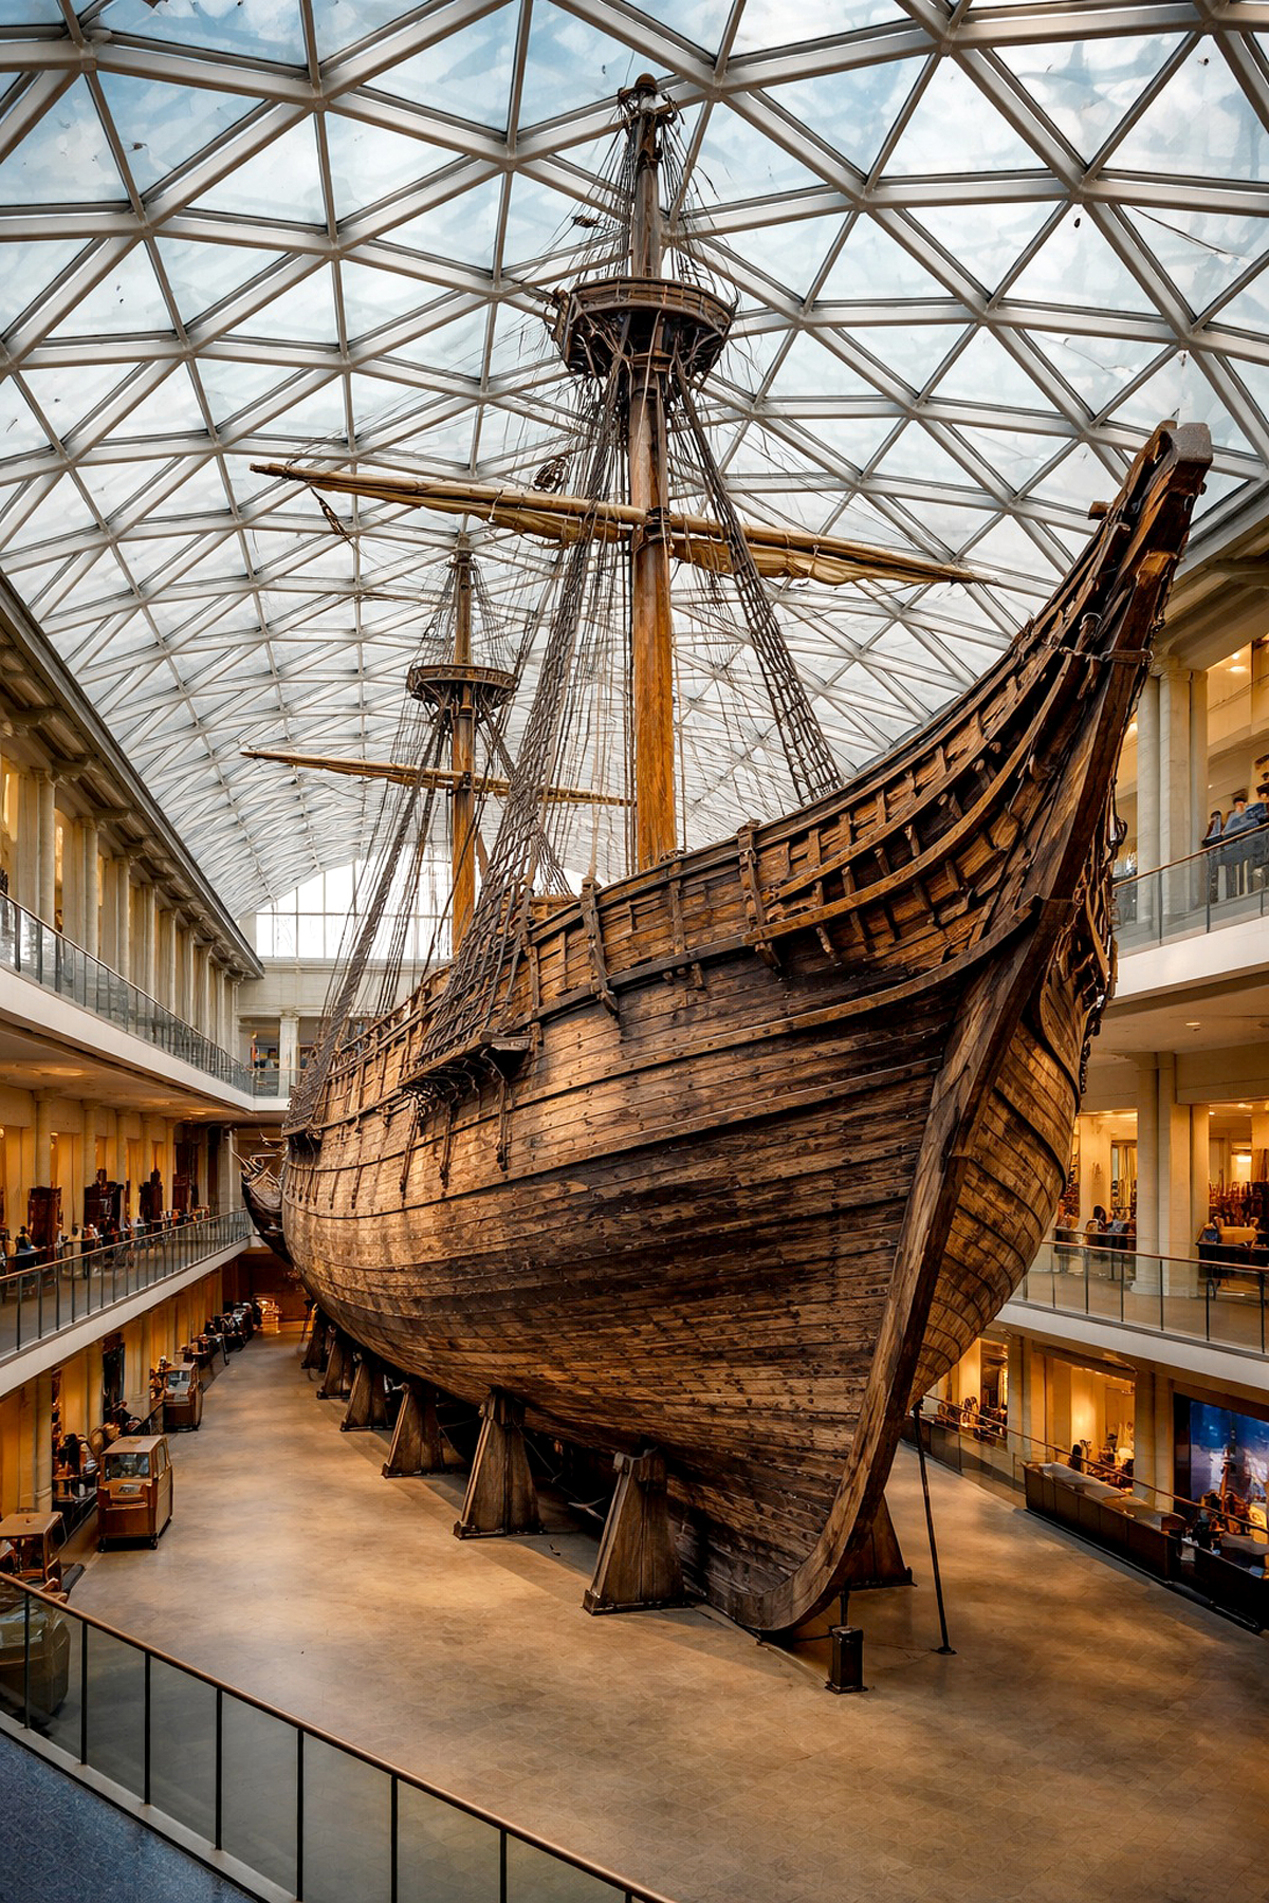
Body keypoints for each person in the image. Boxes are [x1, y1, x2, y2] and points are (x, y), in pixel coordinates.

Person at [1201, 808, 1224, 903]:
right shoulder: (1209, 828)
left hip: (1220, 854)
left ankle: (1219, 894)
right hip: (1211, 855)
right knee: (1211, 874)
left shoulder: (1222, 827)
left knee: (1219, 873)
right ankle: (1212, 895)